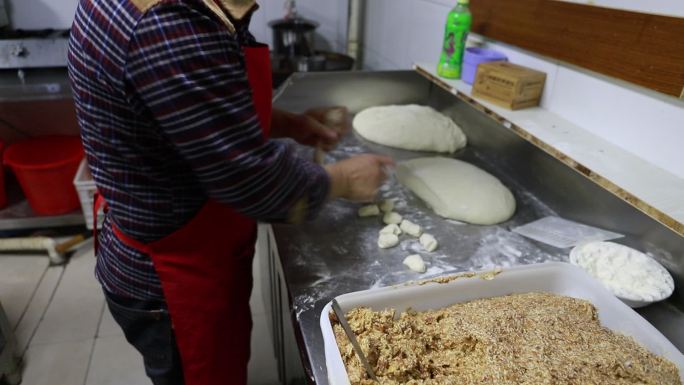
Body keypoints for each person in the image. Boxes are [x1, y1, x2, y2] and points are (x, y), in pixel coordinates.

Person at [67, 1, 393, 384]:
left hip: (192, 251)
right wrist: (344, 179)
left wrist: (282, 123)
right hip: (174, 283)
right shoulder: (170, 25)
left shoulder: (192, 12)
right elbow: (254, 185)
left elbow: (182, 110)